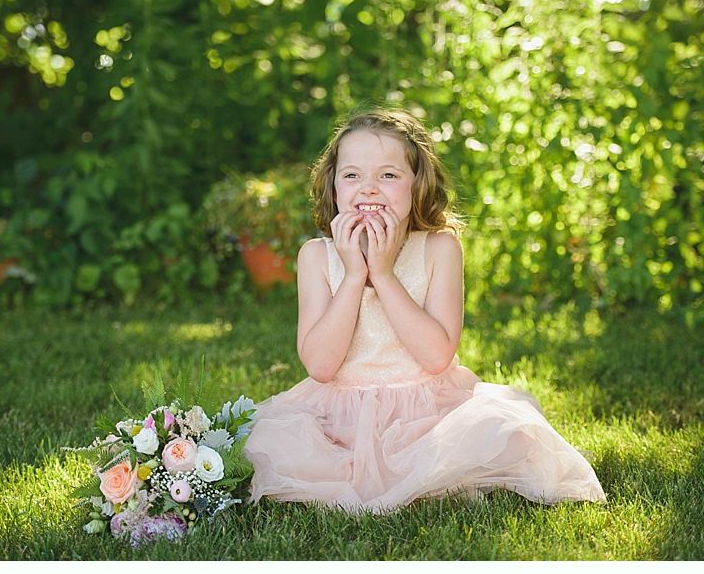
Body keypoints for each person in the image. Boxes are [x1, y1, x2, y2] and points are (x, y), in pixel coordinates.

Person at [244, 108, 606, 513]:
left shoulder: (439, 248)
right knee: (266, 442)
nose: (368, 189)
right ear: (332, 188)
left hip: (426, 412)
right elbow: (321, 367)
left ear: (417, 185)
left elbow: (436, 357)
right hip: (338, 417)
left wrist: (382, 275)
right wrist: (352, 277)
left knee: (507, 433)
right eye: (352, 175)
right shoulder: (316, 256)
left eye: (388, 175)